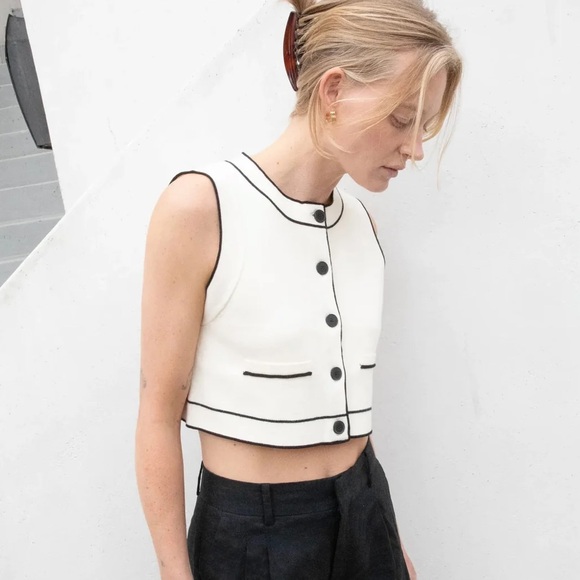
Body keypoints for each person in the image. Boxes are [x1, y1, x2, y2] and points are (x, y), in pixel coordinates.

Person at [135, 0, 462, 578]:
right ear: (333, 91)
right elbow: (157, 413)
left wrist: (392, 544)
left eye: (423, 128)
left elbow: (344, 404)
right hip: (253, 537)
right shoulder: (203, 207)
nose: (414, 150)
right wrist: (174, 572)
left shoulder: (362, 227)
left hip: (368, 517)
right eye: (401, 119)